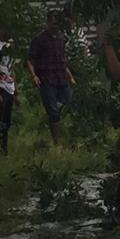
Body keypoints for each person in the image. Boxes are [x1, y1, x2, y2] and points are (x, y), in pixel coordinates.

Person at [27, 11, 77, 145]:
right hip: (46, 78)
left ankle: (71, 136)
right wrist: (34, 75)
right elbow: (30, 60)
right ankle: (57, 142)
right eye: (54, 23)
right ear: (48, 22)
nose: (56, 26)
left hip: (61, 77)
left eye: (58, 24)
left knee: (70, 103)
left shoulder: (61, 38)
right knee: (53, 112)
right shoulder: (39, 39)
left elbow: (62, 60)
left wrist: (70, 76)